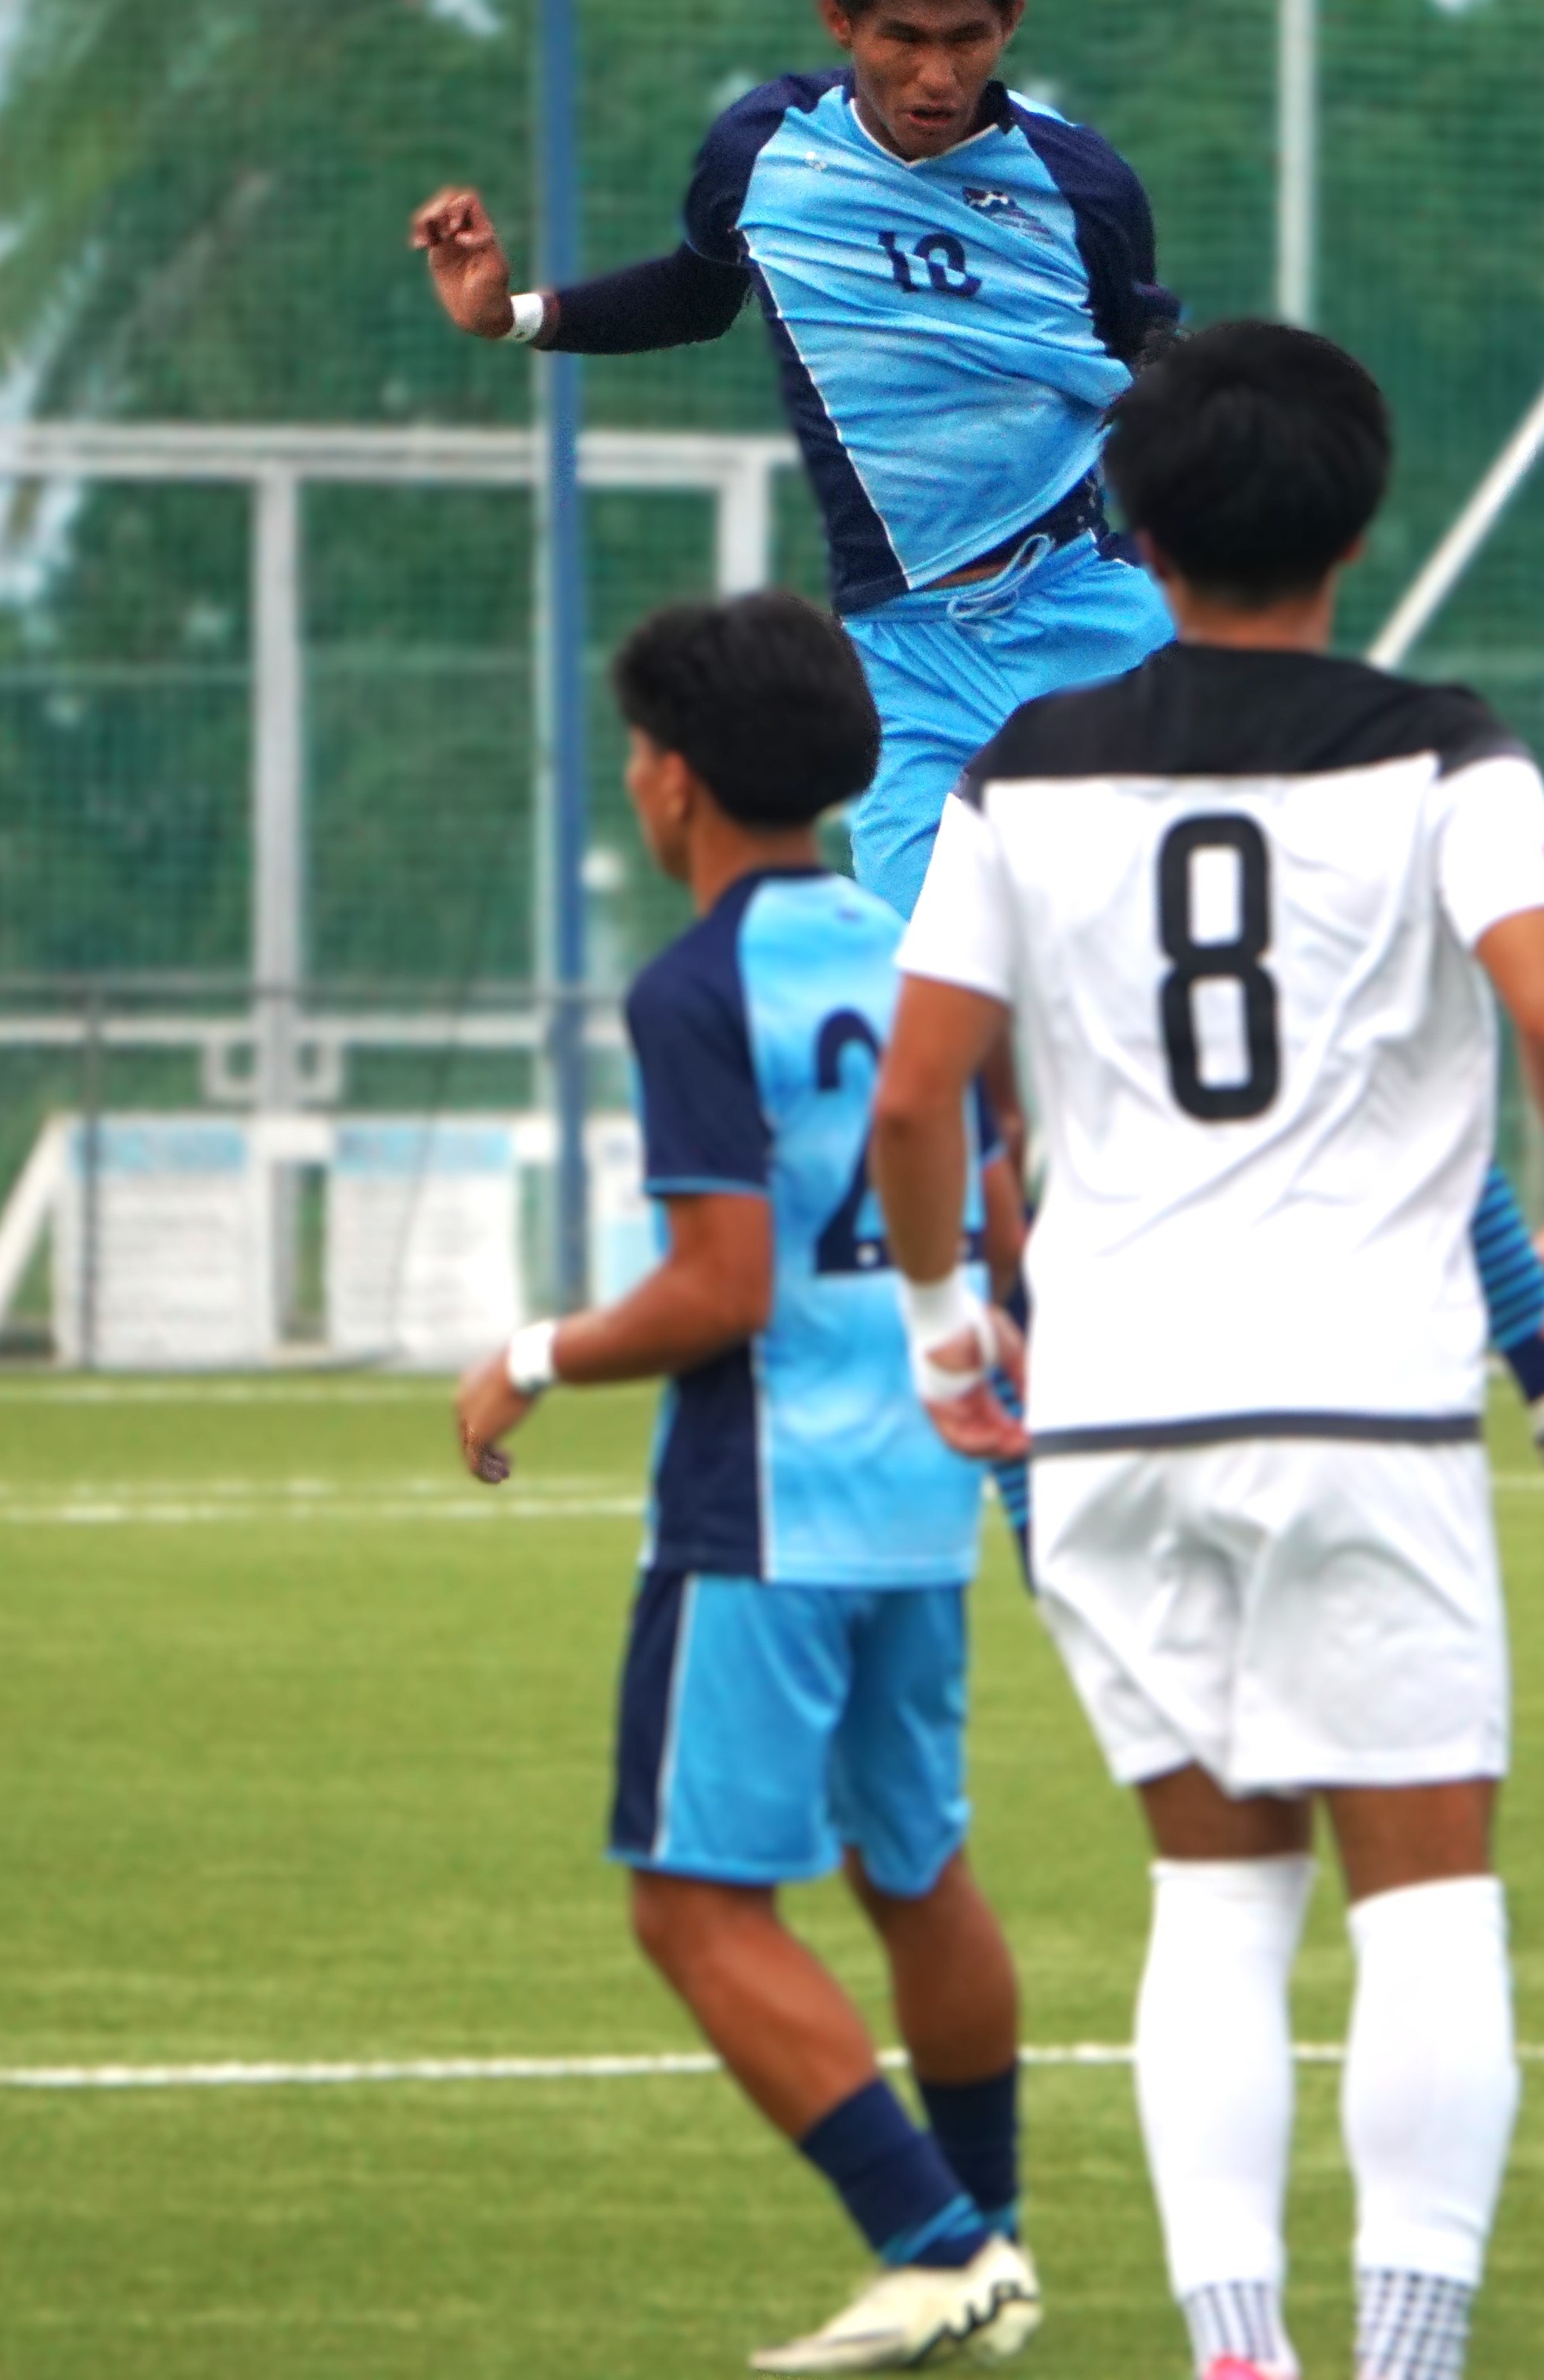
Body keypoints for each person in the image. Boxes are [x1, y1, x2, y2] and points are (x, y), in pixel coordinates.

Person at [407, 0, 1544, 1560]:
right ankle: (1027, 1479)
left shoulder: (1081, 185)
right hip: (911, 676)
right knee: (931, 1053)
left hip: (1094, 615)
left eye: (969, 35)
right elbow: (706, 288)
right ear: (838, 22)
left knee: (1334, 986)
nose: (937, 72)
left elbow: (1154, 379)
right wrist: (519, 316)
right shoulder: (760, 156)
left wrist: (1244, 513)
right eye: (902, 37)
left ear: (1011, 22)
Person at [867, 322, 1544, 2380]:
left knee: (1213, 1908)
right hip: (1360, 1408)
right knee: (1420, 1903)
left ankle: (1235, 2351)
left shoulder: (1019, 763)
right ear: (1360, 512)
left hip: (1111, 1415)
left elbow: (918, 1095)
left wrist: (952, 1325)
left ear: (1127, 522)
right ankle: (1399, 2359)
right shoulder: (1440, 745)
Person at [452, 592, 1036, 2375]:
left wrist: (532, 1354)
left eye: (636, 751)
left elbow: (720, 1287)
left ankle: (935, 2242)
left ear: (677, 781)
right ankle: (989, 2229)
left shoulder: (695, 987)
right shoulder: (924, 947)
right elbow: (1001, 1216)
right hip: (920, 1494)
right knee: (911, 1862)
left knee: (689, 1899)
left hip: (762, 1504)